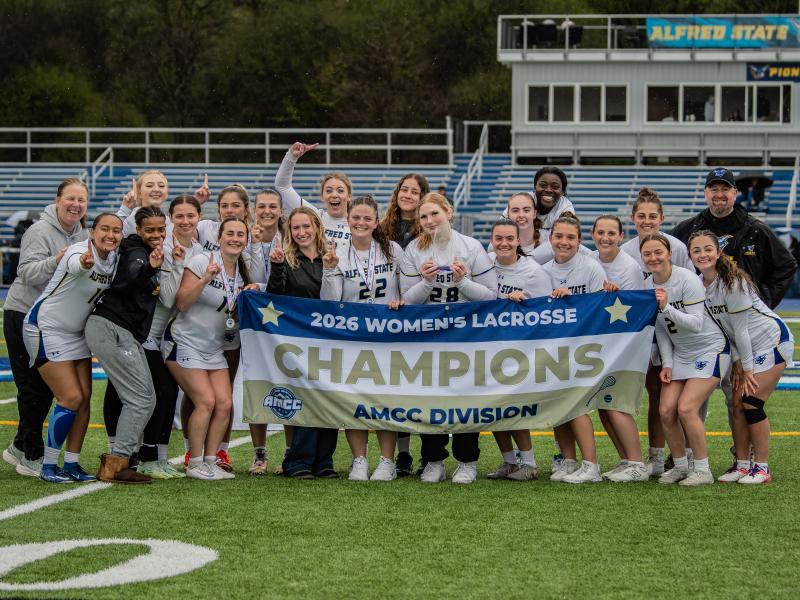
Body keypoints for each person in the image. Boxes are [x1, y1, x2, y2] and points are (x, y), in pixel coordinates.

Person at [672, 167, 797, 458]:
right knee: (695, 397)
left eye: (724, 189)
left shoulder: (755, 228)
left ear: (734, 194)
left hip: (741, 331)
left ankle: (745, 453)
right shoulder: (686, 229)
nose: (719, 195)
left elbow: (787, 265)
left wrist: (762, 301)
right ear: (705, 193)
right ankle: (689, 452)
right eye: (713, 189)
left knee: (737, 397)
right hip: (702, 331)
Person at [399, 192, 497, 484]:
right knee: (430, 396)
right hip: (429, 335)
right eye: (424, 217)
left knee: (467, 396)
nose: (429, 221)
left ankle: (467, 460)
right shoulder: (414, 250)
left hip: (467, 334)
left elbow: (491, 296)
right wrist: (427, 282)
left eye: (434, 214)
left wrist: (463, 281)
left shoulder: (471, 246)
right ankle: (433, 458)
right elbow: (407, 300)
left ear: (448, 213)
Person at [23, 213, 123, 483]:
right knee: (70, 398)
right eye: (104, 229)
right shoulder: (80, 251)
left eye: (116, 231)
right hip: (47, 327)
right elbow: (74, 263)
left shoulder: (114, 258)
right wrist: (82, 263)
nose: (110, 235)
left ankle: (72, 463)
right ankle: (48, 465)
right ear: (92, 232)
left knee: (84, 401)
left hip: (77, 332)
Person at [689, 230, 794, 484]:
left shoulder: (732, 281)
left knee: (750, 401)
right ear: (690, 256)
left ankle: (762, 467)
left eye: (707, 249)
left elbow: (742, 330)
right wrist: (737, 360)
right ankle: (743, 464)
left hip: (771, 342)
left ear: (718, 252)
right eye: (696, 251)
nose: (703, 255)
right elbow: (724, 330)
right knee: (736, 403)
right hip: (744, 349)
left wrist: (745, 368)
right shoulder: (698, 286)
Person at [2, 178, 89, 478]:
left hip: (50, 323)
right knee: (32, 388)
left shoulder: (83, 234)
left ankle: (18, 445)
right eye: (71, 199)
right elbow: (26, 274)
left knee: (44, 389)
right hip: (22, 314)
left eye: (81, 200)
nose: (76, 205)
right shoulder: (39, 231)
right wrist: (58, 260)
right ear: (57, 199)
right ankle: (32, 454)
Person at [164, 218, 256, 481]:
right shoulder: (202, 261)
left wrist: (252, 293)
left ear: (246, 240)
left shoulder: (242, 272)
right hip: (184, 341)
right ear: (220, 236)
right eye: (230, 234)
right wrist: (205, 279)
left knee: (225, 404)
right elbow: (181, 303)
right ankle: (193, 463)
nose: (235, 239)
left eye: (241, 235)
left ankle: (210, 460)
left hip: (214, 348)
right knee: (205, 401)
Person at [321, 195, 404, 481]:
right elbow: (331, 300)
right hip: (352, 336)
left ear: (376, 221)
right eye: (356, 218)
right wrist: (330, 269)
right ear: (348, 220)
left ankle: (387, 461)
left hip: (387, 335)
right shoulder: (338, 252)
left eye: (367, 218)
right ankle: (359, 459)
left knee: (384, 399)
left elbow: (405, 289)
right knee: (354, 399)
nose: (361, 223)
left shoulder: (391, 249)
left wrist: (401, 302)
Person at [86, 207, 167, 484]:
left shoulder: (145, 251)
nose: (156, 235)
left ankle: (125, 458)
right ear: (138, 230)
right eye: (150, 230)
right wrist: (149, 269)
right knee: (141, 398)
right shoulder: (136, 253)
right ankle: (116, 464)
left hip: (123, 331)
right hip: (112, 328)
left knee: (146, 397)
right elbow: (126, 279)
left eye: (160, 229)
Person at [642, 233, 729, 486]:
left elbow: (696, 323)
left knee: (686, 408)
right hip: (681, 353)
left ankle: (702, 469)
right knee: (666, 410)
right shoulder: (649, 285)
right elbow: (662, 329)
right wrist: (667, 363)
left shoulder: (688, 279)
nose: (653, 258)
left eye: (658, 252)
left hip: (709, 349)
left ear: (669, 254)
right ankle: (680, 466)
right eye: (647, 254)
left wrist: (667, 307)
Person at [620, 187, 693, 477]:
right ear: (633, 218)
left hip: (673, 330)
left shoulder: (677, 247)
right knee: (649, 393)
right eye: (641, 216)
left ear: (661, 218)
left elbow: (689, 286)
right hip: (640, 333)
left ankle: (680, 454)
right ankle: (655, 457)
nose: (647, 221)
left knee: (668, 396)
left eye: (652, 216)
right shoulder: (626, 251)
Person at [135, 196, 204, 480]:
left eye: (191, 216)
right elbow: (167, 297)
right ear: (170, 219)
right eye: (180, 216)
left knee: (169, 394)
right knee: (159, 394)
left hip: (171, 336)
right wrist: (176, 267)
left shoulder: (199, 249)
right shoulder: (162, 247)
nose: (186, 221)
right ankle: (146, 456)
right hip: (148, 334)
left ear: (199, 217)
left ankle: (160, 457)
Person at [268, 207, 337, 479]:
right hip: (299, 341)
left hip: (330, 340)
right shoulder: (285, 258)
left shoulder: (330, 258)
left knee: (329, 398)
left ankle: (323, 460)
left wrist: (332, 269)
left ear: (317, 227)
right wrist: (275, 267)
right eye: (295, 228)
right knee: (306, 398)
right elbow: (275, 296)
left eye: (306, 226)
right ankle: (298, 461)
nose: (301, 233)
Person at [541, 215, 606, 484]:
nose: (564, 242)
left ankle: (591, 465)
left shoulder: (591, 268)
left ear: (580, 241)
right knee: (558, 407)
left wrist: (573, 302)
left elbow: (599, 309)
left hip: (583, 347)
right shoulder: (543, 271)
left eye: (570, 237)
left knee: (577, 406)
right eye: (559, 236)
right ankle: (568, 460)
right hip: (554, 348)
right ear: (550, 238)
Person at [486, 218, 551, 481]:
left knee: (513, 407)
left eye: (509, 238)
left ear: (518, 241)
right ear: (492, 240)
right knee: (490, 406)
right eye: (498, 238)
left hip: (518, 349)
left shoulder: (533, 271)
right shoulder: (485, 265)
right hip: (486, 346)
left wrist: (522, 305)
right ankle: (509, 461)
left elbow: (547, 313)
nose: (503, 243)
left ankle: (530, 462)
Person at [378, 172, 430, 476]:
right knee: (396, 388)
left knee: (422, 388)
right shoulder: (384, 227)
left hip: (421, 313)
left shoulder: (428, 226)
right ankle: (403, 454)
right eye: (404, 189)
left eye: (415, 191)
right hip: (392, 312)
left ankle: (428, 454)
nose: (408, 195)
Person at [590, 215, 648, 482]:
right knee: (603, 404)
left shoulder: (629, 267)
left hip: (623, 345)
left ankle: (637, 462)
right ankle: (625, 459)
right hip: (600, 345)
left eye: (611, 233)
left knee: (617, 404)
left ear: (621, 236)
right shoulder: (589, 260)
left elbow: (635, 309)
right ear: (592, 235)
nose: (605, 237)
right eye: (600, 232)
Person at [246, 187, 285, 475]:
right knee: (257, 384)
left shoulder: (291, 237)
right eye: (262, 206)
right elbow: (254, 278)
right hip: (253, 323)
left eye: (273, 206)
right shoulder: (243, 236)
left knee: (288, 385)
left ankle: (289, 452)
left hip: (285, 323)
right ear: (253, 209)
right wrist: (255, 246)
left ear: (281, 210)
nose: (267, 211)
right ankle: (259, 453)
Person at [275, 142, 352, 243]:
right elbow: (282, 187)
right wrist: (291, 157)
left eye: (340, 190)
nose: (334, 195)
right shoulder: (316, 217)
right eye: (328, 191)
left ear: (349, 196)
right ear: (322, 196)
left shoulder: (360, 223)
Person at [532, 167, 575, 237]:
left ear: (563, 191)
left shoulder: (565, 207)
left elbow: (564, 239)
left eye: (555, 187)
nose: (548, 190)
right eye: (543, 185)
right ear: (535, 187)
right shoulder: (522, 201)